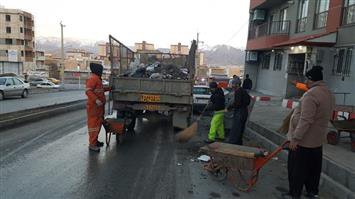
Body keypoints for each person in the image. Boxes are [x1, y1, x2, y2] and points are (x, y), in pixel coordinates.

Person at [285, 66, 335, 199]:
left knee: (297, 170)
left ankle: (294, 194)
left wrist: (295, 138)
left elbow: (306, 119)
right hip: (317, 141)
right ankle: (312, 192)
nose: (306, 82)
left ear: (312, 80)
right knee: (313, 170)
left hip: (303, 142)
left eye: (307, 79)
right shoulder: (328, 93)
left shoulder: (311, 94)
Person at [86, 63, 111, 152]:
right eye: (101, 70)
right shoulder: (93, 78)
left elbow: (100, 89)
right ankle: (92, 144)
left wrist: (109, 88)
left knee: (98, 125)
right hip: (94, 107)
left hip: (98, 108)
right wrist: (96, 100)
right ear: (97, 70)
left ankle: (95, 141)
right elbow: (88, 91)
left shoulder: (97, 79)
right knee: (93, 126)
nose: (102, 72)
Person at [227, 78, 251, 145]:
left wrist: (229, 108)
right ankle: (238, 143)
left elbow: (237, 103)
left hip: (240, 112)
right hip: (244, 112)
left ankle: (233, 143)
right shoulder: (244, 91)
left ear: (237, 84)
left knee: (236, 128)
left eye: (233, 84)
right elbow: (248, 101)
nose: (232, 85)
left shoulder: (238, 91)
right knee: (240, 129)